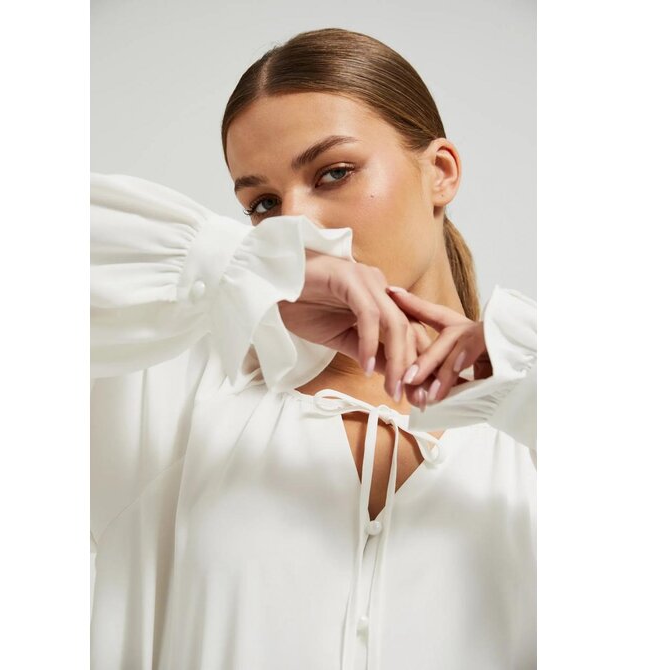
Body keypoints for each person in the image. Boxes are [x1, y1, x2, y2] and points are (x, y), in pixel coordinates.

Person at [91, 27, 536, 670]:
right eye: (263, 204)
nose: (294, 225)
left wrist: (523, 382)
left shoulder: (533, 435)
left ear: (439, 173)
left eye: (333, 173)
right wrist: (243, 270)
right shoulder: (180, 396)